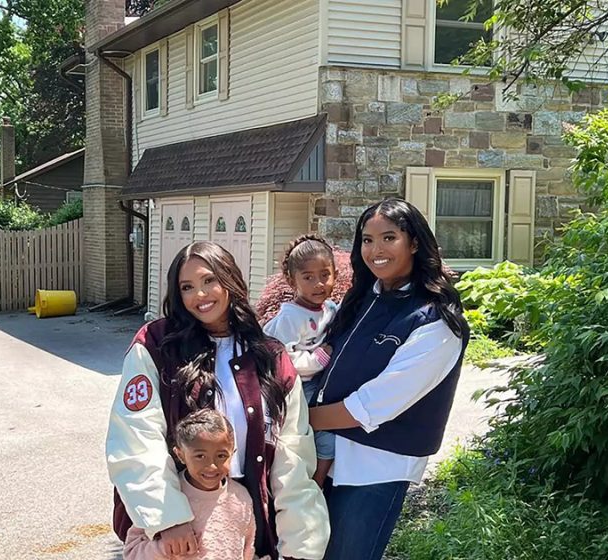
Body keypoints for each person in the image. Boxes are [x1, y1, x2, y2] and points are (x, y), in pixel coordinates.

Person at [107, 241, 329, 560]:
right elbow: (135, 437)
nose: (200, 294)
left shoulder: (270, 357)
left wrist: (301, 547)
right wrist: (168, 519)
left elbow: (292, 458)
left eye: (209, 280)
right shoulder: (156, 346)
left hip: (243, 522)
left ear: (229, 280)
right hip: (179, 526)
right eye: (187, 286)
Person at [308, 198, 469, 560]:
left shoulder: (436, 320)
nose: (375, 250)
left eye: (389, 238)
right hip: (326, 454)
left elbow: (372, 405)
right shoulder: (365, 297)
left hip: (374, 468)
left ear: (414, 243)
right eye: (367, 240)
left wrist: (300, 419)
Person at [123, 409, 260, 559]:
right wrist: (165, 547)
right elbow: (132, 552)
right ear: (180, 455)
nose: (212, 466)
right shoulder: (165, 497)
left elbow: (247, 548)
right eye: (200, 456)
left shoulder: (241, 497)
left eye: (221, 456)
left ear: (232, 454)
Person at [262, 234, 338, 486]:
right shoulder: (290, 318)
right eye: (308, 277)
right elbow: (283, 358)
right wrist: (319, 358)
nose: (319, 284)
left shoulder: (330, 309)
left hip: (320, 382)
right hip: (297, 386)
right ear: (291, 280)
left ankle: (317, 482)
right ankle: (301, 483)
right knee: (299, 435)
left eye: (325, 274)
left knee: (328, 436)